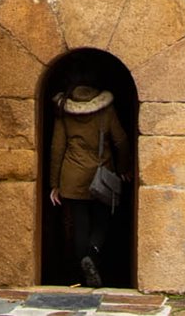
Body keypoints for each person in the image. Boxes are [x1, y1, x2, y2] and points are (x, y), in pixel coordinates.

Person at [47, 83, 128, 287]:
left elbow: (57, 148)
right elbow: (121, 141)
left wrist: (54, 183)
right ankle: (92, 255)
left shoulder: (64, 112)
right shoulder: (106, 110)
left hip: (72, 175)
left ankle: (82, 274)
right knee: (103, 221)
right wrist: (124, 169)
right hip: (102, 174)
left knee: (79, 225)